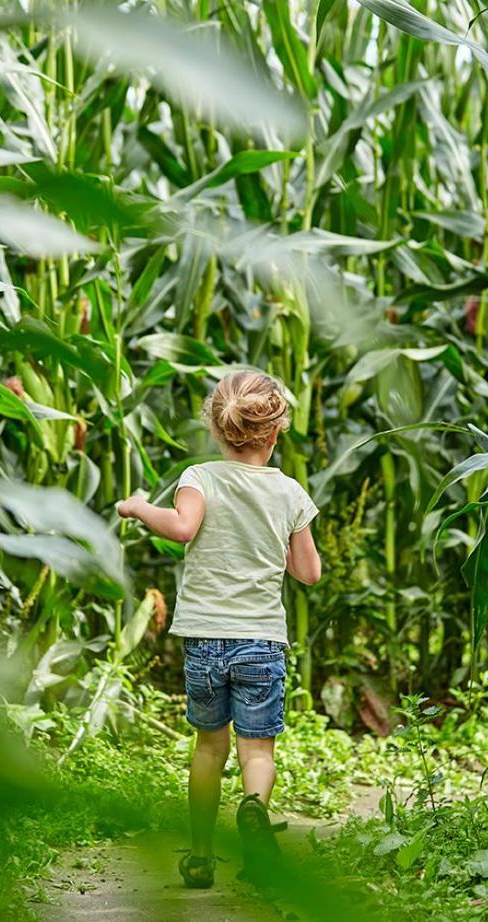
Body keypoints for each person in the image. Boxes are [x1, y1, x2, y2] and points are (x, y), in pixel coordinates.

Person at [116, 370, 322, 889]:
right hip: (262, 641)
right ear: (275, 434)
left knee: (210, 748)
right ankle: (254, 810)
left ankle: (202, 855)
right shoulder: (290, 492)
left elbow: (183, 527)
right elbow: (309, 572)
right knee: (258, 750)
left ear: (217, 429)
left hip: (206, 639)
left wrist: (141, 508)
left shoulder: (199, 477)